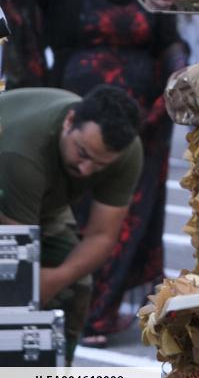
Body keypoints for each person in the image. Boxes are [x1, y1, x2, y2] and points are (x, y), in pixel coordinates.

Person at [0, 0, 187, 346]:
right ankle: (35, 306)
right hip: (72, 120)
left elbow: (171, 43)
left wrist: (178, 82)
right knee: (66, 213)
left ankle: (98, 314)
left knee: (121, 218)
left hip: (141, 123)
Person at [0, 85, 142, 363]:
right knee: (12, 293)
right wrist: (33, 285)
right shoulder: (23, 153)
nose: (86, 170)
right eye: (83, 153)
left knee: (73, 286)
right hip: (9, 186)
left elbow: (102, 235)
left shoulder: (125, 151)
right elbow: (17, 257)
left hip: (41, 199)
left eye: (100, 165)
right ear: (69, 121)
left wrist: (55, 278)